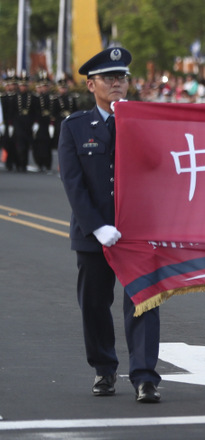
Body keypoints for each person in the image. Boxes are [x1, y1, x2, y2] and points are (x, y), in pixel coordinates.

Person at [58, 47, 161, 403]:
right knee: (94, 304)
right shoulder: (74, 127)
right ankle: (104, 368)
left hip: (139, 231)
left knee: (144, 302)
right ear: (91, 85)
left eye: (122, 78)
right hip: (94, 233)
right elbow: (73, 183)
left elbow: (159, 167)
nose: (117, 83)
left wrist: (133, 123)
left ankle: (145, 377)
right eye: (108, 78)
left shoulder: (144, 122)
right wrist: (97, 226)